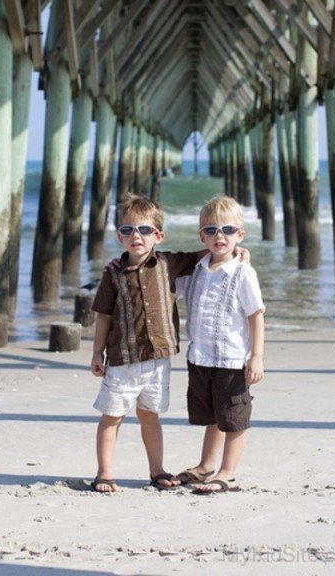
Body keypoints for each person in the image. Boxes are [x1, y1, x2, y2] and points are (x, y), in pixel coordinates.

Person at [90, 193, 249, 493]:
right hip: (121, 361)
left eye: (145, 230)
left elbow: (209, 253)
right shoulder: (112, 273)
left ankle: (157, 470)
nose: (136, 236)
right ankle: (105, 472)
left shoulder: (170, 263)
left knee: (150, 416)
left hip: (157, 360)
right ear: (119, 236)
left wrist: (240, 250)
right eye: (128, 230)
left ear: (158, 236)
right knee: (112, 417)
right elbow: (103, 315)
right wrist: (96, 352)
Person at [176, 195, 265, 494]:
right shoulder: (196, 271)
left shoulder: (243, 272)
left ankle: (227, 472)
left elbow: (256, 315)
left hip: (231, 359)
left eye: (227, 230)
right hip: (200, 357)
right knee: (212, 416)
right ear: (202, 236)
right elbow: (162, 281)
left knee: (233, 417)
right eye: (211, 230)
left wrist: (257, 356)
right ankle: (205, 466)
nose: (219, 236)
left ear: (240, 234)